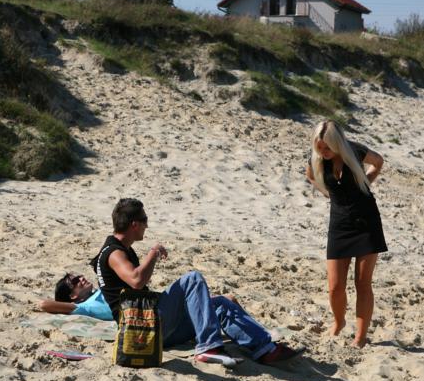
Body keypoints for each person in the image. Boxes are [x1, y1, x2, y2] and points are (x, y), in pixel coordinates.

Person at [93, 198, 303, 366]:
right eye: (145, 220)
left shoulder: (122, 250)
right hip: (142, 327)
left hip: (154, 329)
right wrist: (153, 252)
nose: (147, 225)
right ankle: (208, 347)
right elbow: (136, 280)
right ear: (134, 224)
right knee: (192, 278)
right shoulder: (113, 253)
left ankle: (265, 350)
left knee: (220, 304)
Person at [306, 120, 387, 348]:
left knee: (362, 283)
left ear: (337, 143)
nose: (323, 152)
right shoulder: (317, 158)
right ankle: (339, 322)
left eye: (327, 147)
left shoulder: (355, 151)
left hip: (366, 223)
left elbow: (378, 162)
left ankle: (360, 338)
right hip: (339, 224)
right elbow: (310, 175)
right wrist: (328, 193)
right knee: (335, 286)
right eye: (320, 147)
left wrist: (366, 182)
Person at [38, 272, 113, 321]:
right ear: (73, 295)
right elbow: (44, 304)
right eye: (75, 281)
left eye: (79, 276)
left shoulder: (98, 291)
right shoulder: (85, 307)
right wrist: (71, 305)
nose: (82, 278)